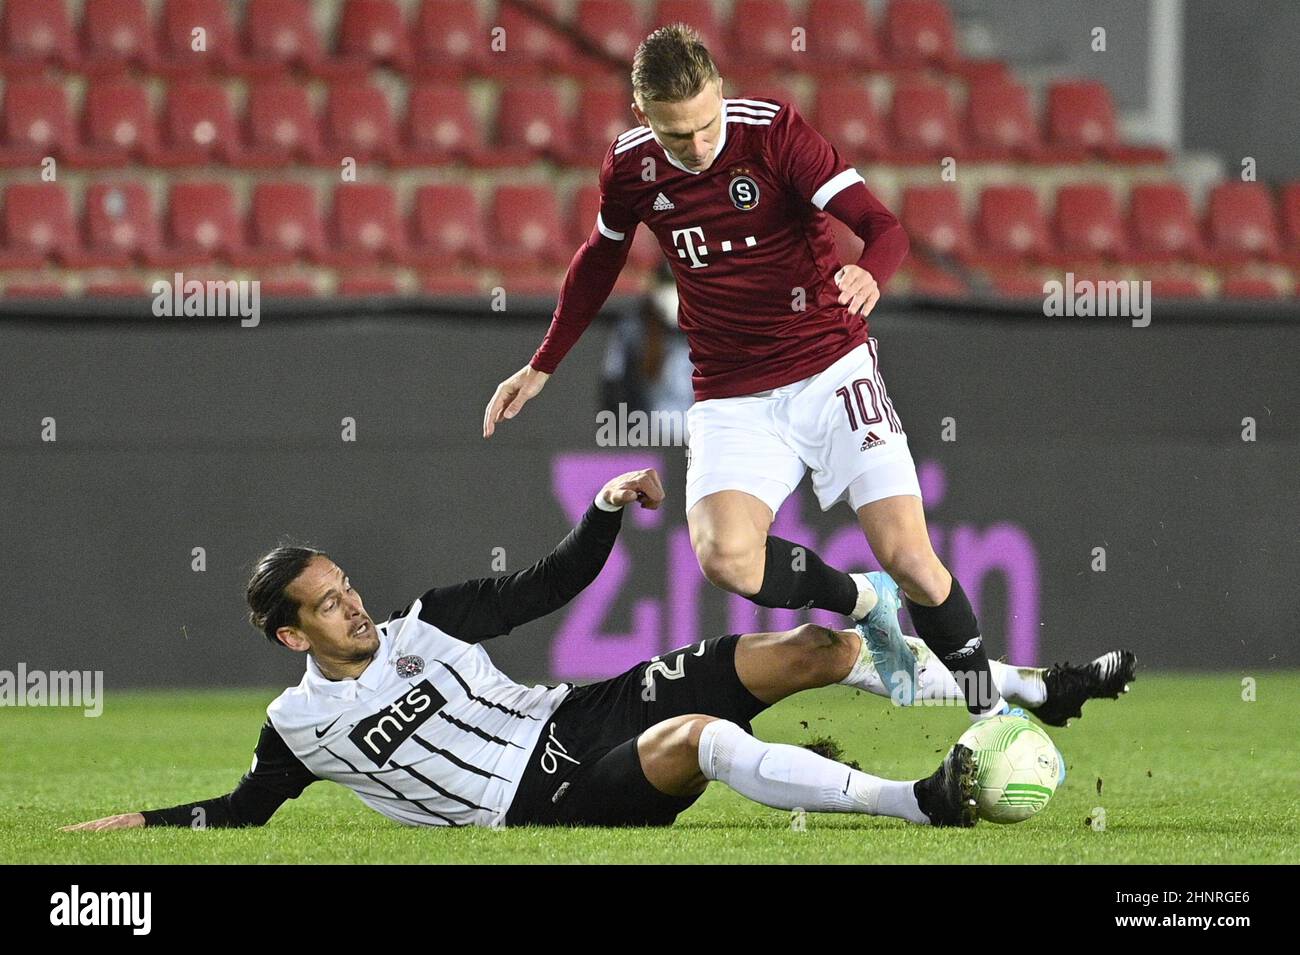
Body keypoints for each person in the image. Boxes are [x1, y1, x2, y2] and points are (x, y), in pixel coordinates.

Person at [61, 468, 1135, 834]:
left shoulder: (425, 620)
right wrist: (144, 823)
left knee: (815, 643)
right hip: (534, 798)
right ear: (291, 635)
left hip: (576, 712)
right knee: (702, 738)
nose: (356, 608)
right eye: (329, 606)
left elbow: (551, 583)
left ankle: (1040, 690)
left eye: (348, 586)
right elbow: (245, 812)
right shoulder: (299, 728)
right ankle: (923, 803)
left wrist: (607, 509)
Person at [482, 23, 1012, 722]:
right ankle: (863, 599)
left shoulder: (775, 133)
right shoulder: (632, 166)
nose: (697, 147)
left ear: (720, 94)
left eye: (706, 126)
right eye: (677, 136)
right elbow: (598, 260)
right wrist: (542, 363)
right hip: (731, 391)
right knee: (727, 557)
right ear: (643, 117)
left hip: (830, 366)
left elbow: (885, 227)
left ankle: (992, 715)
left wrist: (870, 275)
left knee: (913, 559)